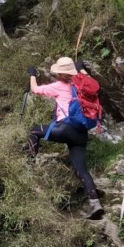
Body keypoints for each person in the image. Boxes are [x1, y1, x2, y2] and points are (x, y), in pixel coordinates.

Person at [26, 56, 105, 220]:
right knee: (81, 169)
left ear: (61, 74)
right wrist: (81, 68)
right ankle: (95, 202)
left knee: (34, 131)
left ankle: (29, 164)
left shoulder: (58, 86)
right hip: (81, 134)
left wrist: (32, 74)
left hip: (65, 129)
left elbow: (35, 90)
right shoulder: (81, 84)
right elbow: (94, 86)